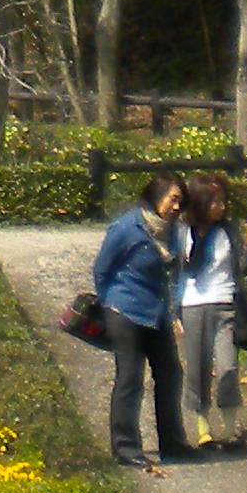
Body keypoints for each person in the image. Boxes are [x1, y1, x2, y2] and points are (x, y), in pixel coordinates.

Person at [92, 171, 193, 470]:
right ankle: (125, 448)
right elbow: (102, 269)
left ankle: (173, 445)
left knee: (170, 374)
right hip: (125, 311)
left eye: (181, 201)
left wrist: (174, 311)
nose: (177, 207)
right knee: (130, 378)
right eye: (173, 199)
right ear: (156, 195)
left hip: (157, 313)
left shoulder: (173, 231)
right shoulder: (126, 228)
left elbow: (176, 273)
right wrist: (110, 305)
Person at [177, 170, 247, 449]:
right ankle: (203, 429)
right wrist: (173, 312)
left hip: (226, 304)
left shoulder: (229, 231)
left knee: (228, 367)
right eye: (215, 202)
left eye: (223, 201)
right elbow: (173, 275)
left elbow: (243, 269)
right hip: (192, 306)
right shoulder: (182, 233)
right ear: (200, 203)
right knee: (197, 370)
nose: (221, 207)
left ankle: (230, 428)